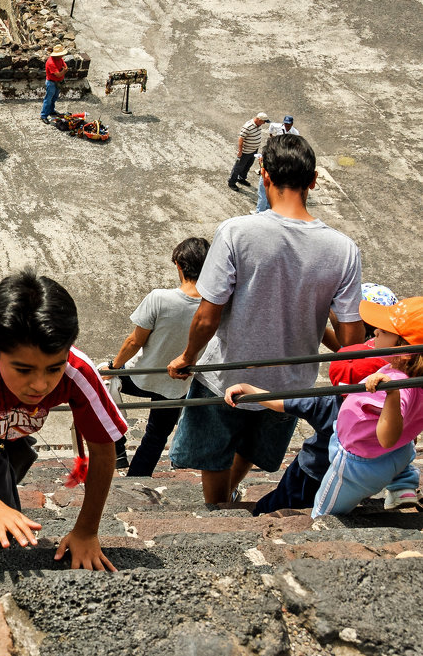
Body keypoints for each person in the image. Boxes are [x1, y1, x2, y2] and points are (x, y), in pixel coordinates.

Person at [168, 134, 364, 504]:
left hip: (226, 374)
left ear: (264, 176)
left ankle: (219, 506)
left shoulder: (236, 232)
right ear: (313, 180)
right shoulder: (343, 249)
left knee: (213, 454)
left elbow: (208, 316)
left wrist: (187, 358)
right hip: (292, 386)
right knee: (253, 449)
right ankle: (230, 495)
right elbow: (351, 337)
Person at [0, 269, 127, 568]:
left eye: (53, 369)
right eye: (23, 370)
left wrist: (87, 530)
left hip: (12, 423)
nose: (40, 385)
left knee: (1, 474)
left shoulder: (76, 370)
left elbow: (102, 449)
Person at [107, 237, 209, 476]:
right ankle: (137, 478)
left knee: (102, 383)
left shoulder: (159, 298)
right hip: (178, 385)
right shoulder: (213, 305)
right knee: (155, 436)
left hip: (142, 376)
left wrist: (113, 366)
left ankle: (118, 448)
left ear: (179, 266)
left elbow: (134, 341)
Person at [313, 297, 423, 517]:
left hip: (358, 464)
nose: (375, 334)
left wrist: (392, 393)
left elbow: (387, 438)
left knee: (323, 512)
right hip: (391, 454)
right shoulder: (412, 375)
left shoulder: (398, 383)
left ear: (403, 345)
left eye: (383, 331)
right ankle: (401, 486)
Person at [254, 115, 300, 213]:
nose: (287, 126)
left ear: (292, 124)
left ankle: (259, 212)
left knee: (263, 194)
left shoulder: (294, 133)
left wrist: (261, 164)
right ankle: (266, 210)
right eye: (285, 124)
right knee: (268, 194)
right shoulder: (277, 128)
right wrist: (271, 135)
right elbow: (271, 127)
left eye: (288, 124)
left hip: (269, 174)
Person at [227, 112, 267, 191]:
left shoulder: (258, 125)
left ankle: (241, 178)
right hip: (246, 151)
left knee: (248, 165)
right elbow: (241, 138)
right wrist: (240, 151)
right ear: (259, 120)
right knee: (238, 167)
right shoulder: (248, 126)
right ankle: (232, 182)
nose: (264, 123)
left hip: (253, 150)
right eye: (264, 121)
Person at [40, 45, 68, 122]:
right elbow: (59, 74)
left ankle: (51, 110)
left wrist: (63, 71)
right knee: (48, 99)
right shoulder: (51, 62)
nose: (62, 56)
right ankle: (43, 115)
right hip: (51, 82)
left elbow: (65, 66)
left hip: (58, 82)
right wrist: (64, 71)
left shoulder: (60, 59)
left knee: (54, 97)